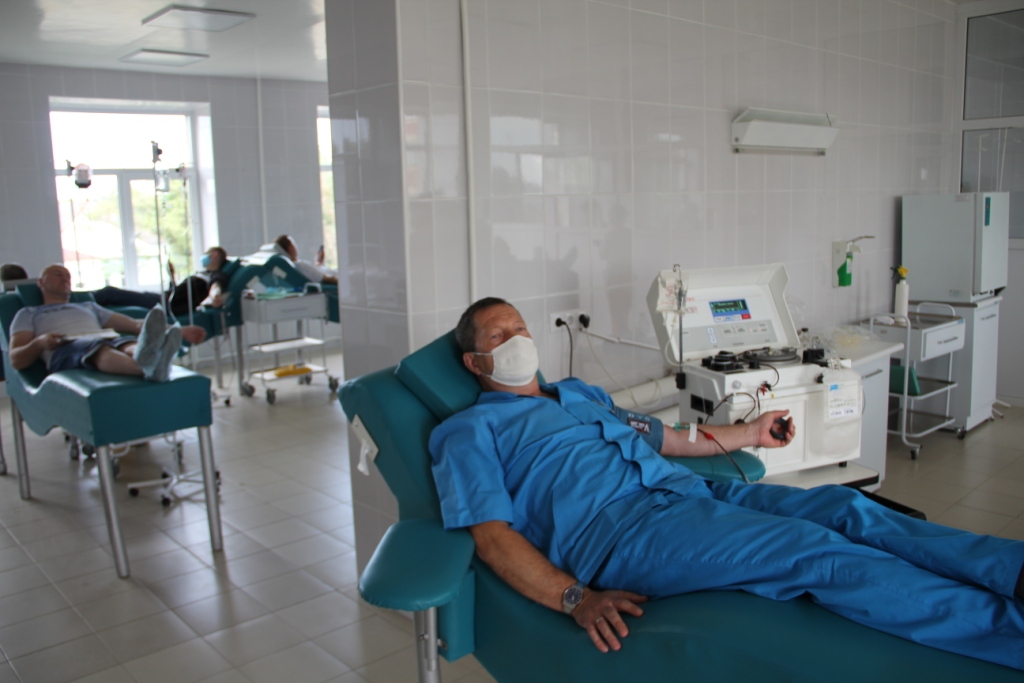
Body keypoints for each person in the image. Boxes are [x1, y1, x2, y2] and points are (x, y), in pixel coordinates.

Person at [429, 297, 1024, 671]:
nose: (517, 341)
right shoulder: (468, 432)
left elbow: (667, 439)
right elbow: (491, 536)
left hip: (691, 492)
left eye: (521, 328)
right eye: (498, 337)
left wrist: (751, 434)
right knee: (814, 553)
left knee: (846, 508)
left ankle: (1011, 570)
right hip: (627, 535)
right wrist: (576, 598)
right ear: (474, 363)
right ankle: (1007, 633)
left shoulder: (578, 393)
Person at [9, 265, 206, 382]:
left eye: (67, 275)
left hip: (101, 339)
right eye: (57, 274)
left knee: (127, 342)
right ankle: (150, 368)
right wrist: (40, 343)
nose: (65, 278)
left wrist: (179, 330)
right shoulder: (28, 313)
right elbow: (16, 359)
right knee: (100, 348)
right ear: (40, 282)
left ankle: (154, 361)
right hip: (64, 349)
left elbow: (134, 324)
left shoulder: (88, 306)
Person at [90, 246, 231, 316]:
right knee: (110, 301)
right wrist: (172, 277)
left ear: (215, 255)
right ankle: (83, 300)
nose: (203, 257)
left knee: (109, 293)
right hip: (164, 298)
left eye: (207, 254)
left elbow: (216, 285)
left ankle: (80, 300)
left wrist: (215, 296)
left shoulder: (216, 275)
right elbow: (179, 294)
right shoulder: (203, 274)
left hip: (164, 304)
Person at [273, 235, 337, 285]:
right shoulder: (301, 266)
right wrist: (342, 281)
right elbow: (328, 280)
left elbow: (314, 275)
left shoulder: (295, 268)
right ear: (290, 248)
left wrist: (318, 265)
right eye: (293, 244)